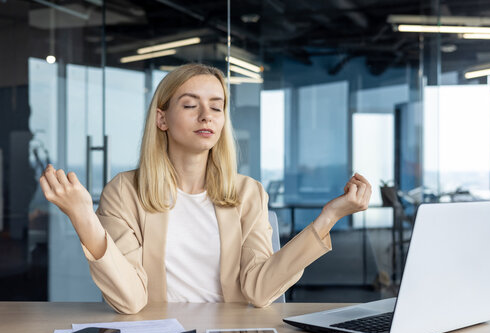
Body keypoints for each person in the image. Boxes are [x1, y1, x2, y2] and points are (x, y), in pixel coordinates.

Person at [39, 63, 372, 314]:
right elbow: (130, 301)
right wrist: (83, 216)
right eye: (189, 105)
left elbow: (259, 290)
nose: (206, 116)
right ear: (162, 119)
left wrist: (329, 216)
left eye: (216, 106)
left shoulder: (248, 193)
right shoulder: (125, 191)